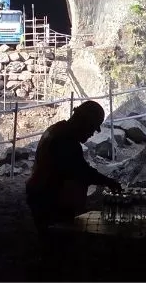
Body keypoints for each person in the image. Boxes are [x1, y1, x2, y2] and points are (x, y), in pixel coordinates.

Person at [25, 100, 121, 238]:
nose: (92, 134)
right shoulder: (65, 141)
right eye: (92, 128)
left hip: (42, 195)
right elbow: (81, 171)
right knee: (58, 239)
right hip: (50, 200)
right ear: (83, 123)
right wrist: (108, 182)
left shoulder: (57, 130)